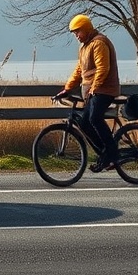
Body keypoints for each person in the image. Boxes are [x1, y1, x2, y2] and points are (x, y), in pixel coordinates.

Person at [56, 14, 121, 173]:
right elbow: (80, 70)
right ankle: (104, 153)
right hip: (93, 91)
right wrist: (67, 88)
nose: (76, 36)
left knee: (94, 118)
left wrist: (95, 87)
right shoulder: (84, 46)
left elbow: (103, 68)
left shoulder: (98, 43)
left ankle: (112, 153)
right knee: (84, 122)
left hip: (105, 90)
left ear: (86, 29)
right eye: (74, 33)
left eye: (78, 32)